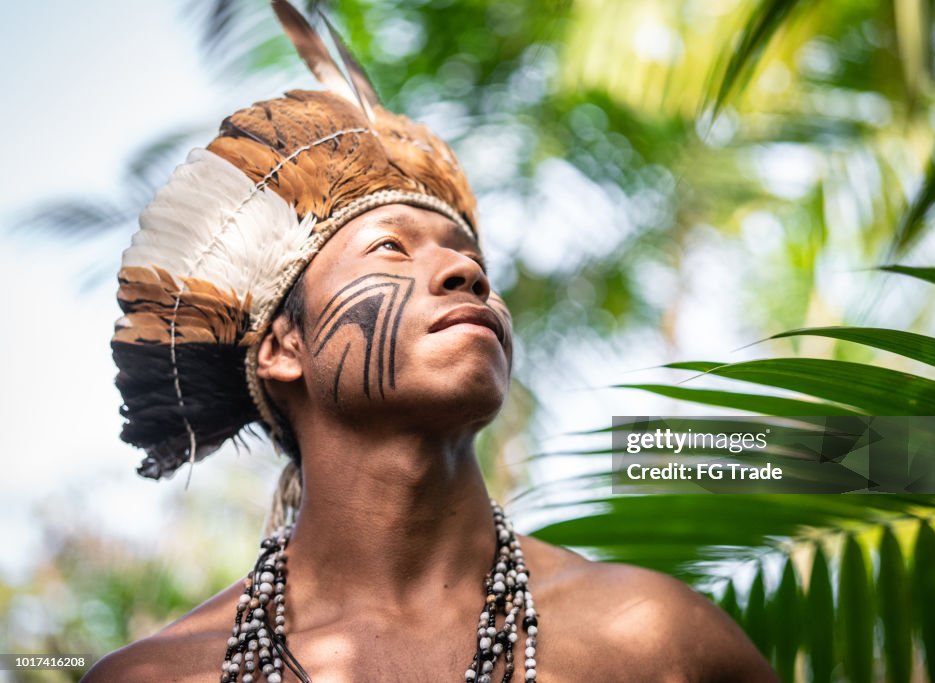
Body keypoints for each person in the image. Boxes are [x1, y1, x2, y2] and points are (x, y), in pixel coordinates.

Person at [84, 2, 776, 681]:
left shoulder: (656, 640)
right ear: (282, 348)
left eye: (471, 258)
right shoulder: (162, 676)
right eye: (390, 247)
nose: (467, 273)